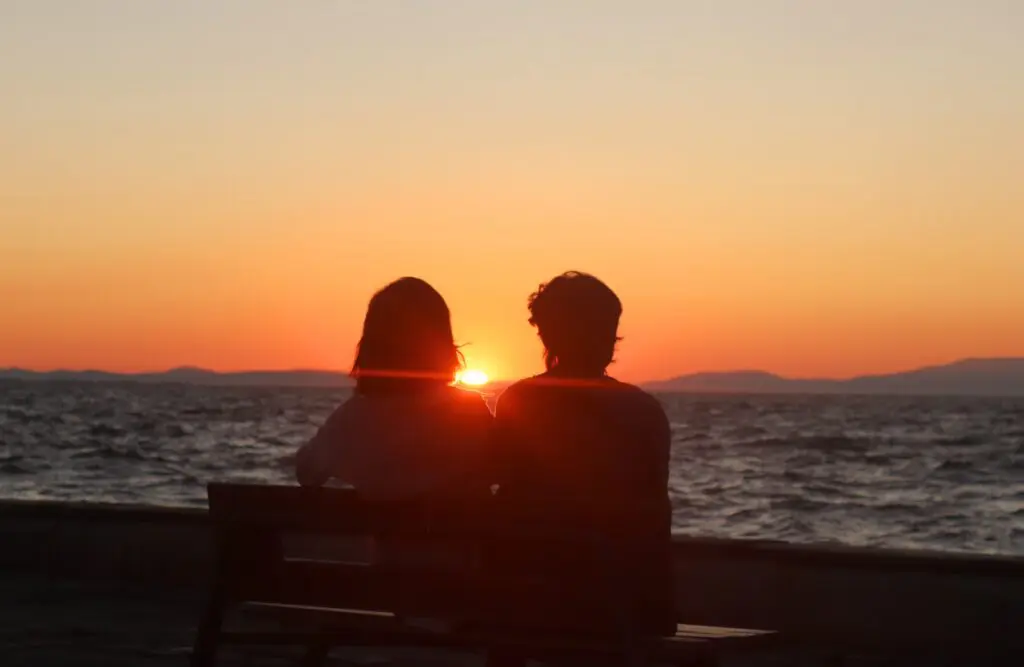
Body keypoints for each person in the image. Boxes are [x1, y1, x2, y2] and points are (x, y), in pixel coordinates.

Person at [488, 271, 675, 639]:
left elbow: (500, 486)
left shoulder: (518, 401)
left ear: (545, 334)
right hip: (610, 599)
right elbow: (655, 512)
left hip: (524, 597)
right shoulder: (642, 409)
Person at [295, 277, 492, 503]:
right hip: (458, 526)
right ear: (442, 343)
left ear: (370, 346)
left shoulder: (352, 419)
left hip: (382, 527)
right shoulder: (470, 412)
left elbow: (306, 472)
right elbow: (500, 469)